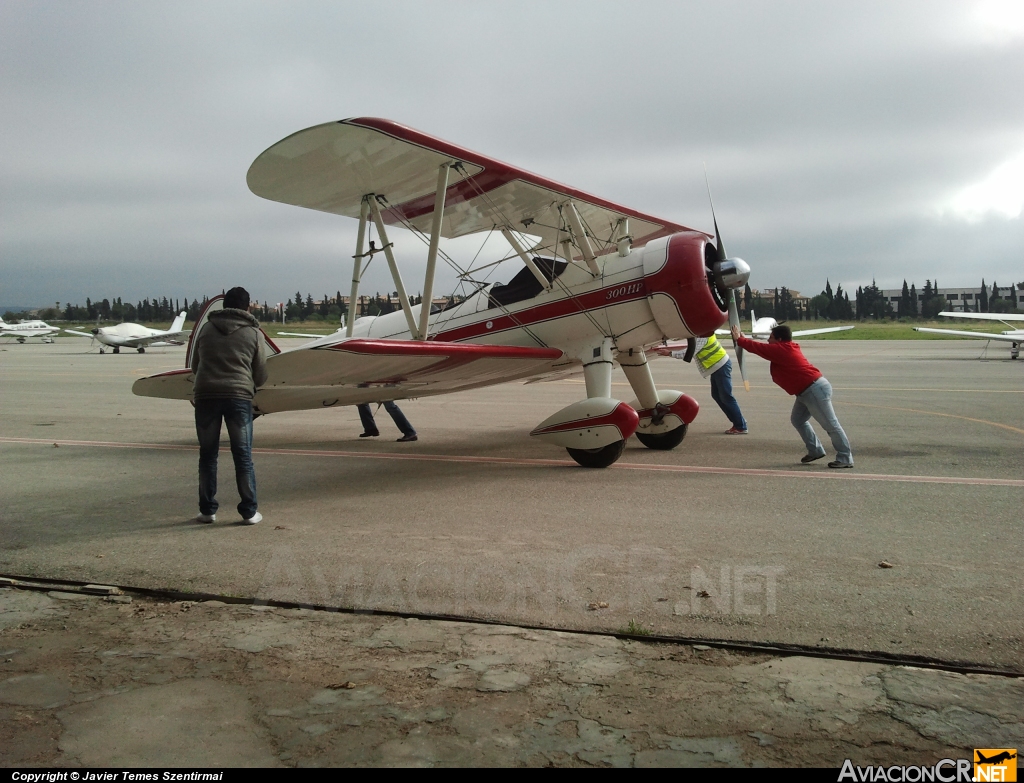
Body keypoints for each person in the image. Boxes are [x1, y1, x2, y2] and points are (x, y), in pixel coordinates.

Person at [190, 287, 268, 524]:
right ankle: (248, 511)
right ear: (247, 306)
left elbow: (196, 365)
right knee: (243, 455)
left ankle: (207, 510)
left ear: (224, 305)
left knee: (208, 455)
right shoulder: (254, 334)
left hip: (206, 396)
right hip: (238, 397)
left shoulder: (206, 329)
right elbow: (261, 373)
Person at [732, 323, 853, 468]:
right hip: (806, 391)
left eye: (771, 338)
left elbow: (759, 348)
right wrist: (743, 339)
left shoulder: (783, 349)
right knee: (798, 420)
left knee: (831, 425)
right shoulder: (784, 348)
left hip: (813, 390)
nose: (768, 341)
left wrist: (739, 340)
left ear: (780, 339)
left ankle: (845, 458)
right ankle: (815, 450)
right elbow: (762, 348)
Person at [661, 334, 747, 434]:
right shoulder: (702, 334)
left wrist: (670, 353)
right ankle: (738, 421)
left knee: (726, 397)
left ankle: (740, 426)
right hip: (717, 367)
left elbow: (691, 352)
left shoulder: (703, 336)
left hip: (720, 366)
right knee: (717, 396)